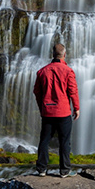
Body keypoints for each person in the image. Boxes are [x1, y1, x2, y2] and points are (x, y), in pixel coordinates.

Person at [33, 42, 80, 176]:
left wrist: (41, 107)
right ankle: (64, 170)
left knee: (44, 140)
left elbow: (37, 92)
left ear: (52, 54)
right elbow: (73, 91)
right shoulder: (68, 71)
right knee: (64, 142)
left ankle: (41, 169)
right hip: (63, 112)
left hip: (47, 112)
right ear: (64, 55)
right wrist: (76, 108)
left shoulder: (42, 71)